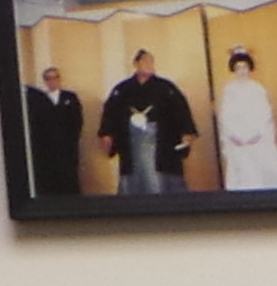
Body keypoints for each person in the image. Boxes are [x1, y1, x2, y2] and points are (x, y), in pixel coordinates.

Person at [99, 49, 195, 195]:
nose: (149, 65)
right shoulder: (122, 89)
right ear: (136, 64)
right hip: (132, 142)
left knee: (163, 180)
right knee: (132, 178)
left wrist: (187, 133)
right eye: (145, 61)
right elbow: (110, 113)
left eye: (151, 61)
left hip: (161, 142)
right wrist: (107, 135)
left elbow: (181, 111)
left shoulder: (166, 87)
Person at [214, 47, 277, 191]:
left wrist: (256, 134)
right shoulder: (229, 90)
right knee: (241, 176)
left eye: (244, 67)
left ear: (249, 68)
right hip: (237, 141)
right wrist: (233, 135)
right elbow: (226, 115)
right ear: (233, 70)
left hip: (257, 140)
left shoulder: (257, 89)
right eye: (238, 68)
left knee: (262, 174)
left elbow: (265, 114)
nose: (241, 71)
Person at [22, 61, 84, 201]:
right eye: (49, 78)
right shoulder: (38, 100)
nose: (53, 81)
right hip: (47, 148)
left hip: (67, 145)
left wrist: (71, 138)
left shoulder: (70, 97)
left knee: (69, 174)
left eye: (55, 77)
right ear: (45, 81)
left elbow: (77, 120)